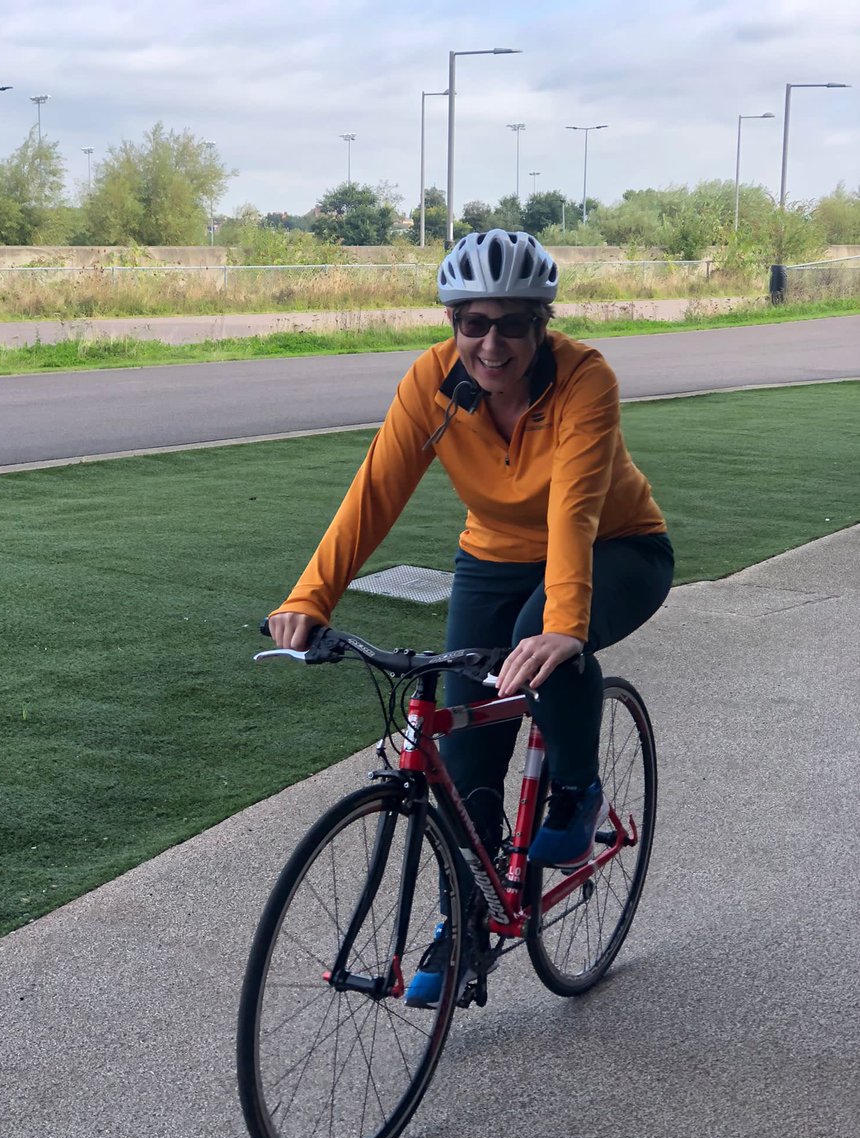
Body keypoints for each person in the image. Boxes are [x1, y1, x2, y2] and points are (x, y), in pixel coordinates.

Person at [268, 229, 674, 1007]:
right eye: (473, 323)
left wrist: (563, 624)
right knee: (468, 755)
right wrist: (310, 596)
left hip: (616, 548)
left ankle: (578, 788)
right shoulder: (432, 382)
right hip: (491, 559)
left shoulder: (585, 379)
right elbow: (375, 491)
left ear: (541, 325)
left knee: (544, 646)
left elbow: (576, 508)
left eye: (514, 323)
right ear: (452, 323)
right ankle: (467, 926)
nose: (492, 343)